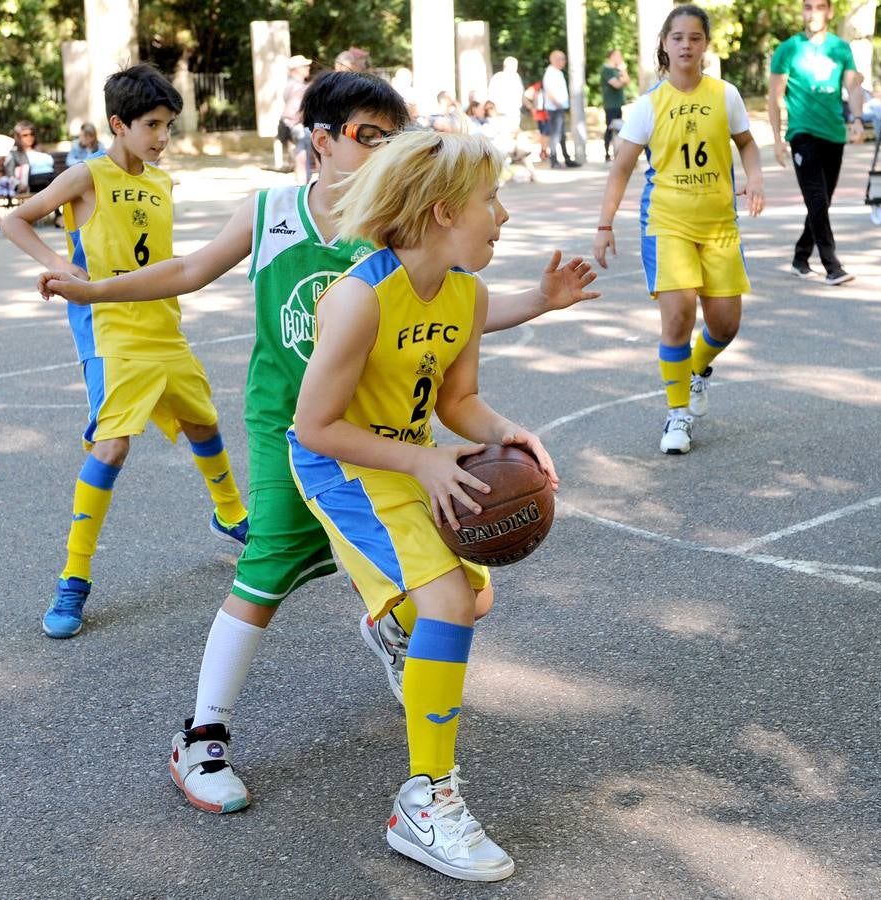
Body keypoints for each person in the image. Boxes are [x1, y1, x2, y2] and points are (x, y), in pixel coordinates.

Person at [35, 71, 596, 817]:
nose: (381, 151)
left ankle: (395, 624)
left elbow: (450, 317)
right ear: (321, 140)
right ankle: (202, 734)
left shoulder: (397, 232)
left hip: (384, 436)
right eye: (367, 136)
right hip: (294, 430)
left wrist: (537, 303)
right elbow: (186, 271)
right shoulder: (273, 213)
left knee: (465, 589)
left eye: (392, 139)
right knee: (269, 563)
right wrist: (94, 289)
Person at [284, 129, 555, 882]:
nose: (502, 215)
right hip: (339, 465)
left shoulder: (466, 292)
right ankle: (425, 801)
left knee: (474, 598)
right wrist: (423, 459)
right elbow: (314, 426)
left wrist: (508, 434)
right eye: (490, 200)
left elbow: (458, 400)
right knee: (447, 603)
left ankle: (387, 625)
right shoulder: (359, 299)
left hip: (406, 457)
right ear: (442, 212)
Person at [0, 63, 250, 639]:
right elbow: (17, 220)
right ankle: (74, 579)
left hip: (164, 324)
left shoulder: (161, 183)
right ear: (119, 123)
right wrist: (60, 265)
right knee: (111, 448)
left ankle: (232, 517)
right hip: (111, 333)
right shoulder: (86, 176)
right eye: (154, 125)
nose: (163, 137)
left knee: (203, 421)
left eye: (169, 126)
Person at [594, 4, 765, 456]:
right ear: (665, 45)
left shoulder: (725, 95)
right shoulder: (648, 106)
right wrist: (604, 224)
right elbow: (621, 170)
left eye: (694, 37)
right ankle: (677, 416)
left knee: (725, 325)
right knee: (678, 316)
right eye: (678, 37)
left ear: (705, 44)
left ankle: (696, 371)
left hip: (719, 226)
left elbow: (746, 144)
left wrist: (756, 179)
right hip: (667, 223)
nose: (686, 44)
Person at [769, 0, 864, 285]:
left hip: (833, 134)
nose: (812, 13)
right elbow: (774, 97)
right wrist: (777, 138)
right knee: (817, 199)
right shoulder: (788, 49)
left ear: (829, 12)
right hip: (802, 133)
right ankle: (832, 265)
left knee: (822, 202)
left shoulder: (840, 48)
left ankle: (801, 257)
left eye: (819, 7)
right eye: (807, 7)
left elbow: (853, 86)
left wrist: (857, 119)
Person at [542, 50, 579, 167]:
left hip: (559, 108)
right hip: (554, 109)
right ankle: (554, 160)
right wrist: (557, 103)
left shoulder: (558, 72)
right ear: (554, 60)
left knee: (562, 135)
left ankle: (566, 158)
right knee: (555, 135)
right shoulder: (551, 73)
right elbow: (549, 91)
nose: (564, 61)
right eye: (561, 59)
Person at [281, 55, 313, 183]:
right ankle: (302, 186)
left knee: (301, 155)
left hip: (294, 125)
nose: (308, 68)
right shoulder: (296, 86)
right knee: (301, 157)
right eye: (305, 66)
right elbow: (298, 109)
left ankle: (302, 183)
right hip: (297, 125)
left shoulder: (293, 84)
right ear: (296, 69)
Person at [601, 48, 631, 162]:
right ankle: (607, 153)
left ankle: (617, 152)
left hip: (618, 104)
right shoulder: (606, 69)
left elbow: (627, 81)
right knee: (610, 128)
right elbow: (617, 85)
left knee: (618, 129)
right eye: (618, 55)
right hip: (610, 105)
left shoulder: (617, 70)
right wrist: (622, 80)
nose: (620, 58)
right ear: (612, 56)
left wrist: (623, 70)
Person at [486, 57, 525, 135]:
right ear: (505, 66)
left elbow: (521, 93)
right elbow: (491, 97)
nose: (515, 68)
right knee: (503, 137)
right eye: (513, 66)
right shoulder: (497, 78)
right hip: (501, 113)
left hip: (514, 112)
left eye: (515, 66)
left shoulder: (516, 77)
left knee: (514, 135)